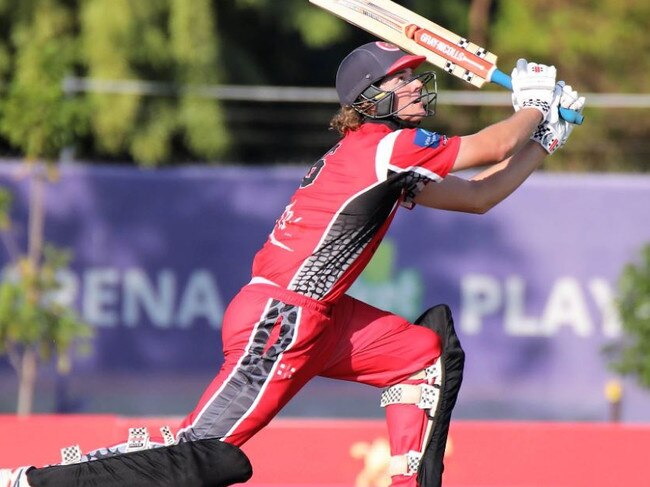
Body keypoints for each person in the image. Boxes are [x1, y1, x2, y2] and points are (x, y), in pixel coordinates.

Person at [1, 41, 584, 487]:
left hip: (317, 319)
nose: (415, 88)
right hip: (281, 319)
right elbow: (490, 145)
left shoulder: (387, 158)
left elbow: (479, 197)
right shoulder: (385, 145)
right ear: (371, 98)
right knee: (205, 455)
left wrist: (544, 138)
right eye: (402, 80)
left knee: (420, 357)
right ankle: (33, 482)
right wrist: (532, 105)